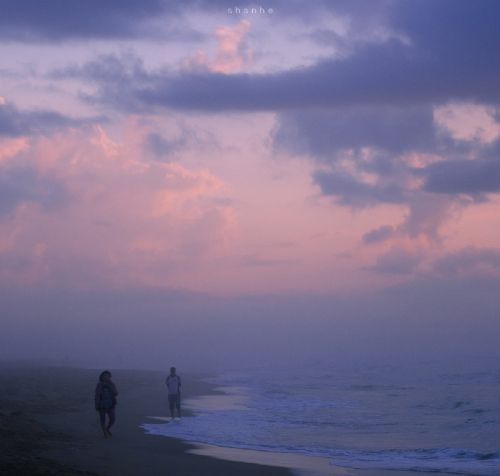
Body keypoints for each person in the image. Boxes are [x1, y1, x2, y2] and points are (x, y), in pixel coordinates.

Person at [95, 370, 118, 438]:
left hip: (111, 404)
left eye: (108, 376)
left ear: (110, 377)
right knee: (102, 420)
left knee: (112, 419)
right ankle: (105, 433)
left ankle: (107, 428)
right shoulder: (99, 385)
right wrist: (96, 404)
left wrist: (109, 386)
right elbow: (97, 395)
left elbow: (116, 393)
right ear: (101, 377)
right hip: (101, 405)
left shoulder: (112, 384)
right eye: (104, 376)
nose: (106, 377)